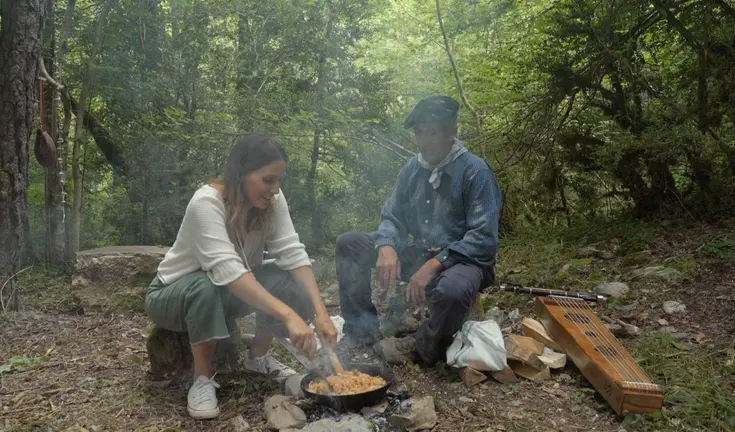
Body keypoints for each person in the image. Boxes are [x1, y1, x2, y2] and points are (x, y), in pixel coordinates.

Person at [144, 133, 337, 420]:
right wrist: (288, 316)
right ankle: (202, 379)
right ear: (241, 174)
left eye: (278, 180)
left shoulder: (271, 200)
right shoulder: (205, 203)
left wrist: (321, 313)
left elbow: (292, 252)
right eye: (268, 180)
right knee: (204, 284)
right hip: (171, 295)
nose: (275, 189)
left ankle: (257, 358)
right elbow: (227, 272)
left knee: (284, 276)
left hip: (223, 292)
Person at [336, 95, 502, 367]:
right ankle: (362, 331)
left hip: (462, 261)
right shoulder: (412, 169)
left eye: (433, 133)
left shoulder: (475, 171)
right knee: (349, 244)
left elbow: (483, 239)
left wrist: (435, 265)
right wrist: (387, 244)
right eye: (419, 133)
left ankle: (422, 346)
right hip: (420, 252)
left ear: (452, 132)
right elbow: (392, 216)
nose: (424, 141)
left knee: (453, 290)